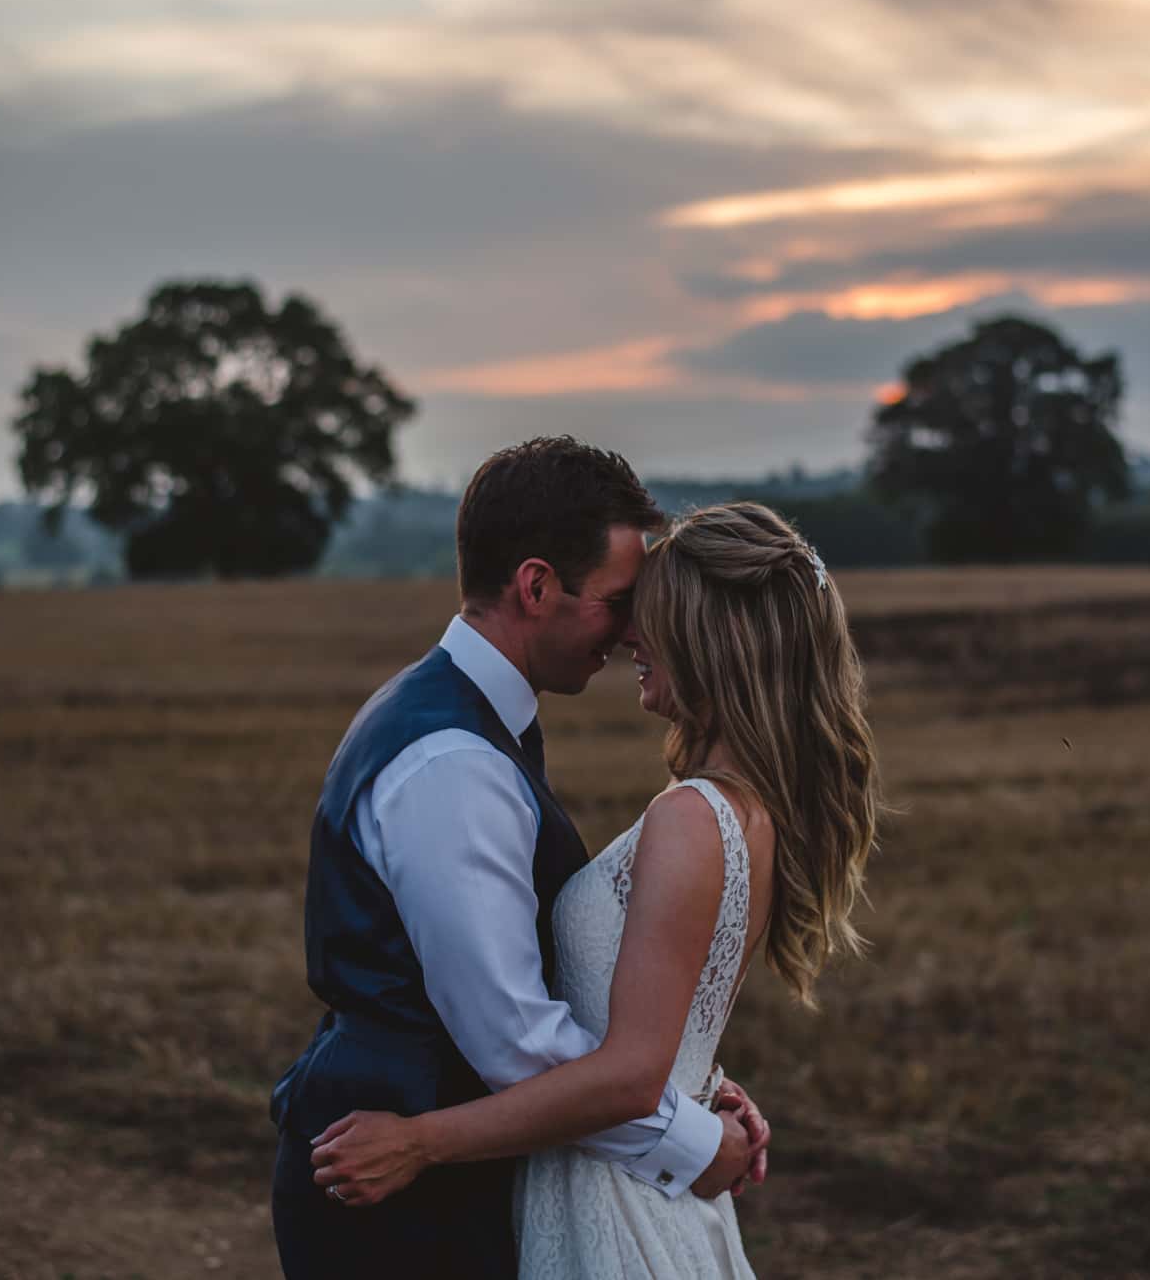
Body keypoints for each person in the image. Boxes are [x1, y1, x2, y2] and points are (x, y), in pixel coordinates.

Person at [308, 500, 882, 1279]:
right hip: (635, 1177)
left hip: (613, 1197)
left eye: (649, 615)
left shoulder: (692, 816)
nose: (628, 637)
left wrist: (419, 1140)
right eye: (624, 608)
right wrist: (701, 1092)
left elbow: (627, 1072)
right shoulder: (747, 808)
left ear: (713, 638)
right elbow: (662, 1036)